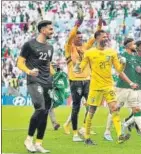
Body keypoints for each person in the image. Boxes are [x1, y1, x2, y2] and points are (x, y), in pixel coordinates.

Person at [76, 30, 130, 145]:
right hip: (95, 86)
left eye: (107, 36)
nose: (106, 38)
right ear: (96, 38)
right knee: (91, 110)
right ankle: (87, 137)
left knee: (114, 108)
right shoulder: (89, 53)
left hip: (108, 85)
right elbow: (80, 68)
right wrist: (77, 67)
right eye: (103, 37)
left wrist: (123, 64)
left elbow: (119, 70)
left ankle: (120, 135)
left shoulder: (112, 52)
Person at [63, 11, 102, 141]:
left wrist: (100, 25)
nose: (80, 39)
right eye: (78, 37)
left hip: (88, 80)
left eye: (81, 37)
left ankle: (84, 127)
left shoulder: (85, 47)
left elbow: (95, 38)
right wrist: (77, 25)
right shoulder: (69, 47)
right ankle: (75, 134)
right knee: (76, 107)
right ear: (74, 39)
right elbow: (70, 36)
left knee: (91, 105)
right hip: (75, 81)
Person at [17, 20, 55, 153]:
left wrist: (55, 76)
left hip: (47, 82)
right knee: (40, 108)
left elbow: (48, 64)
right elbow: (20, 62)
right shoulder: (29, 45)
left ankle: (39, 143)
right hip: (34, 80)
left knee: (44, 113)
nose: (52, 31)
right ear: (43, 30)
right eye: (50, 29)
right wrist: (28, 71)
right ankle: (28, 139)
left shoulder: (50, 47)